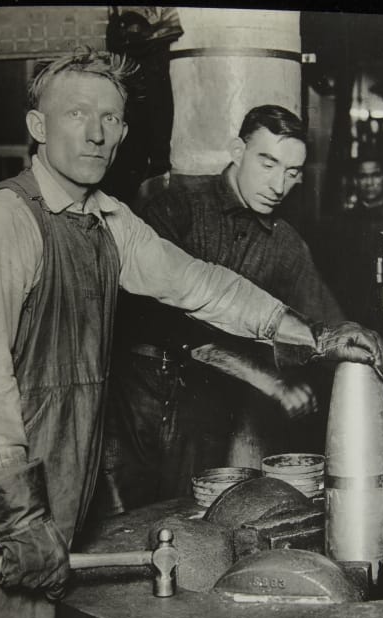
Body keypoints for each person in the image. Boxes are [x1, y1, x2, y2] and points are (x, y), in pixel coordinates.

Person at [0, 50, 383, 618]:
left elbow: (199, 285)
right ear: (37, 125)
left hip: (45, 510)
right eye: (77, 114)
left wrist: (312, 335)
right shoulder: (1, 221)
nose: (96, 132)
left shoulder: (105, 222)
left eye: (110, 118)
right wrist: (20, 517)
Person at [95, 105, 344, 514]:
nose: (278, 185)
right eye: (268, 163)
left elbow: (327, 327)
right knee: (122, 524)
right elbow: (171, 322)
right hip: (133, 399)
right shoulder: (176, 208)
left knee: (193, 519)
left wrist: (354, 349)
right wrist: (270, 381)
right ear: (237, 151)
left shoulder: (286, 245)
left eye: (292, 172)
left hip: (203, 412)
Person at [317, 155, 383, 331]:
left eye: (375, 175)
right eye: (363, 176)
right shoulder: (341, 224)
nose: (369, 182)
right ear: (355, 180)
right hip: (353, 315)